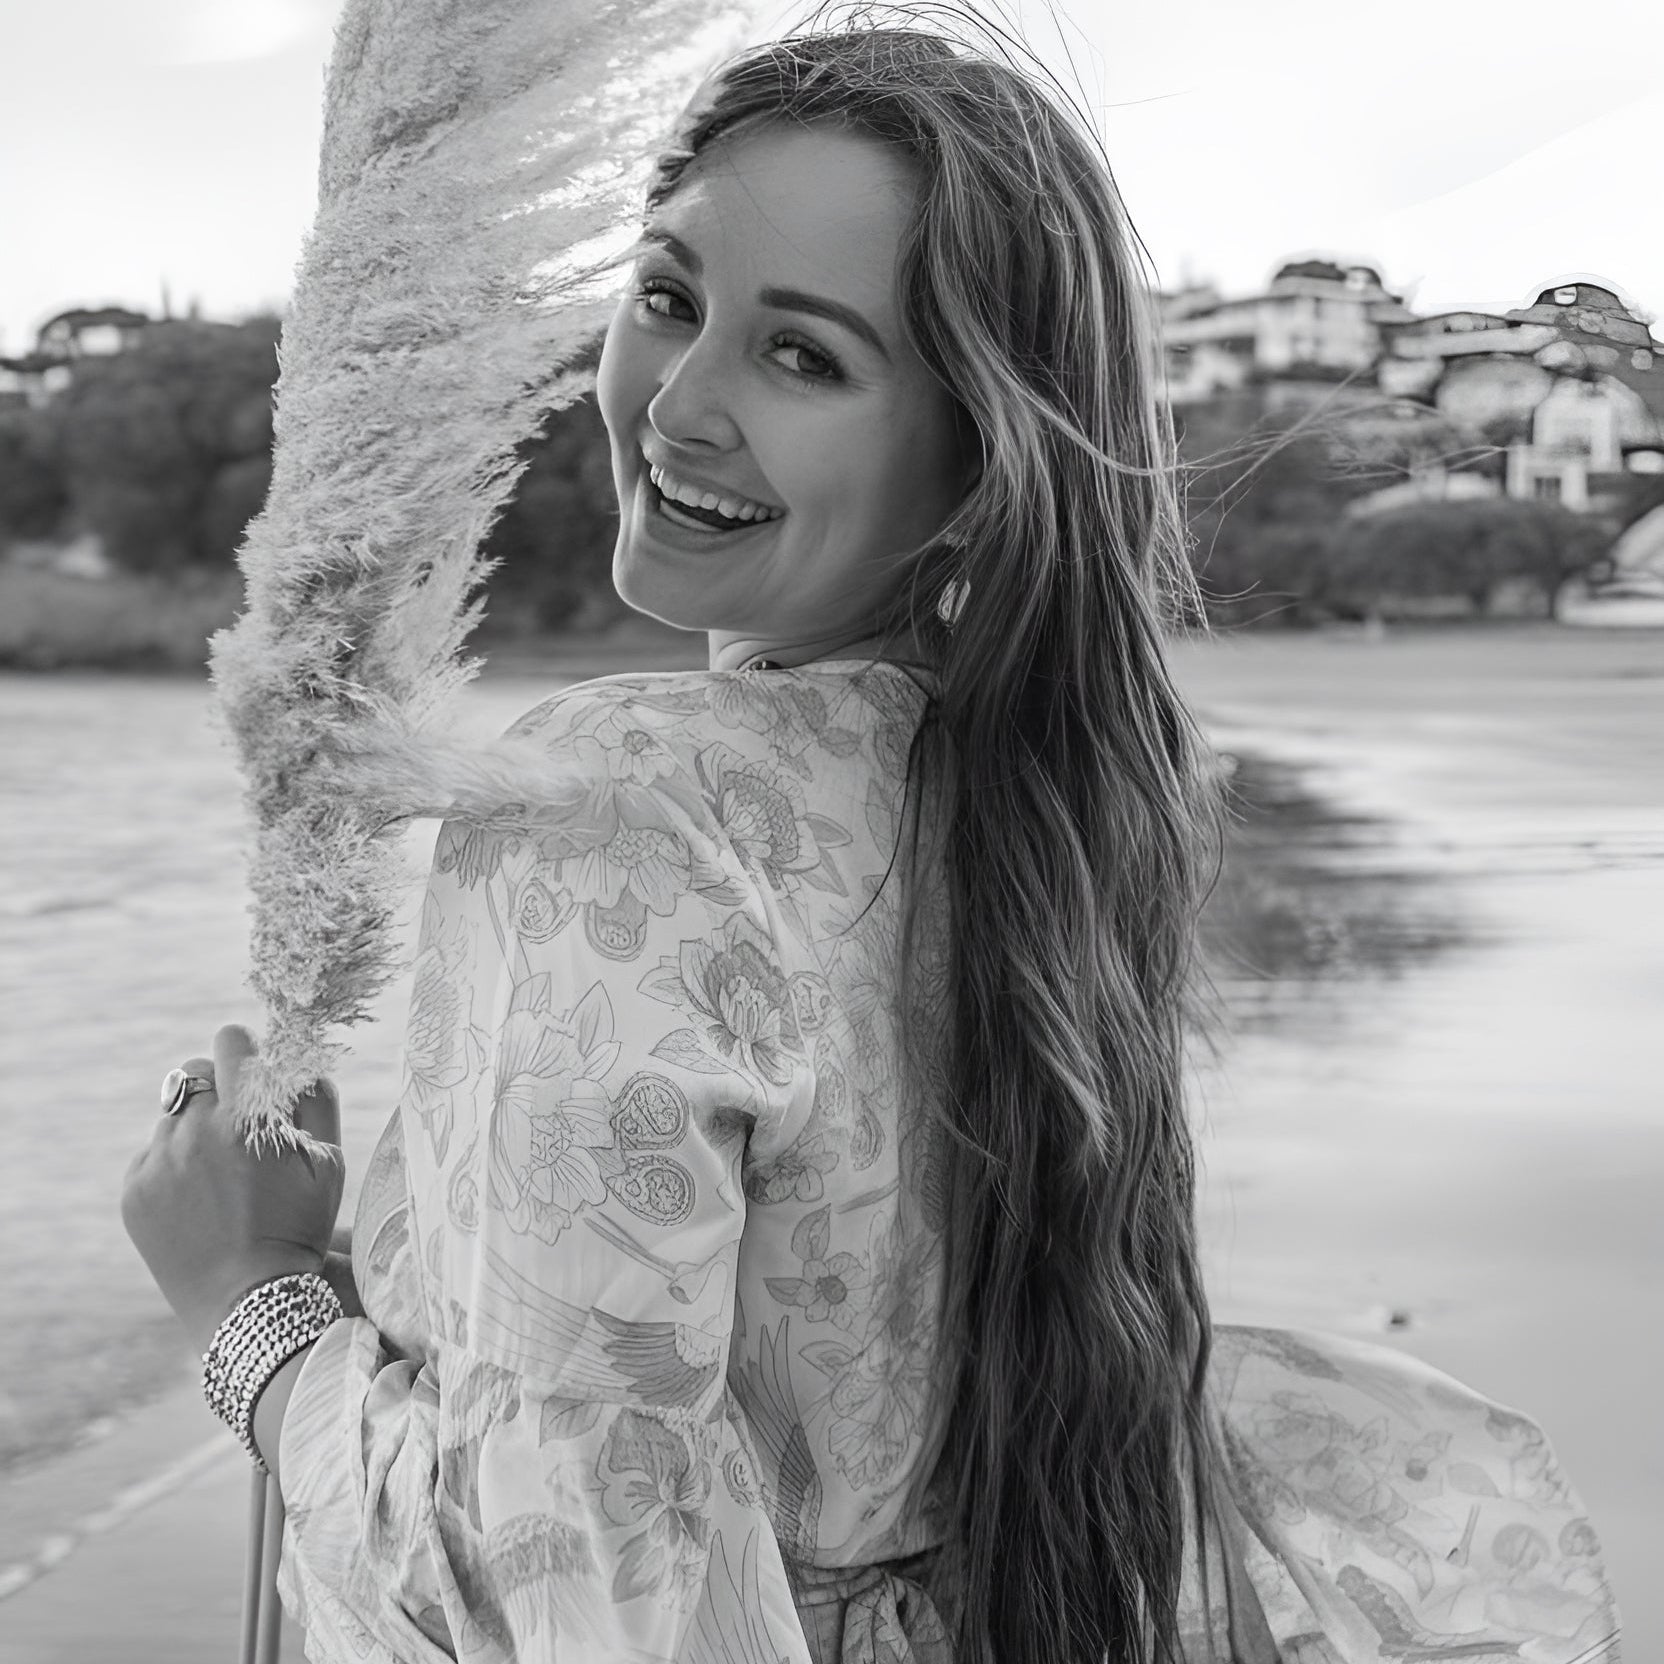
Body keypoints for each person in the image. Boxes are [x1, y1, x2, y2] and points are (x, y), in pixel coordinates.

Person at [120, 20, 1623, 1664]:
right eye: (669, 297)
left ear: (976, 463)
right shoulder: (1054, 804)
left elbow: (566, 1584)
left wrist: (249, 1303)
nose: (678, 402)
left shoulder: (616, 807)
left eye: (804, 357)